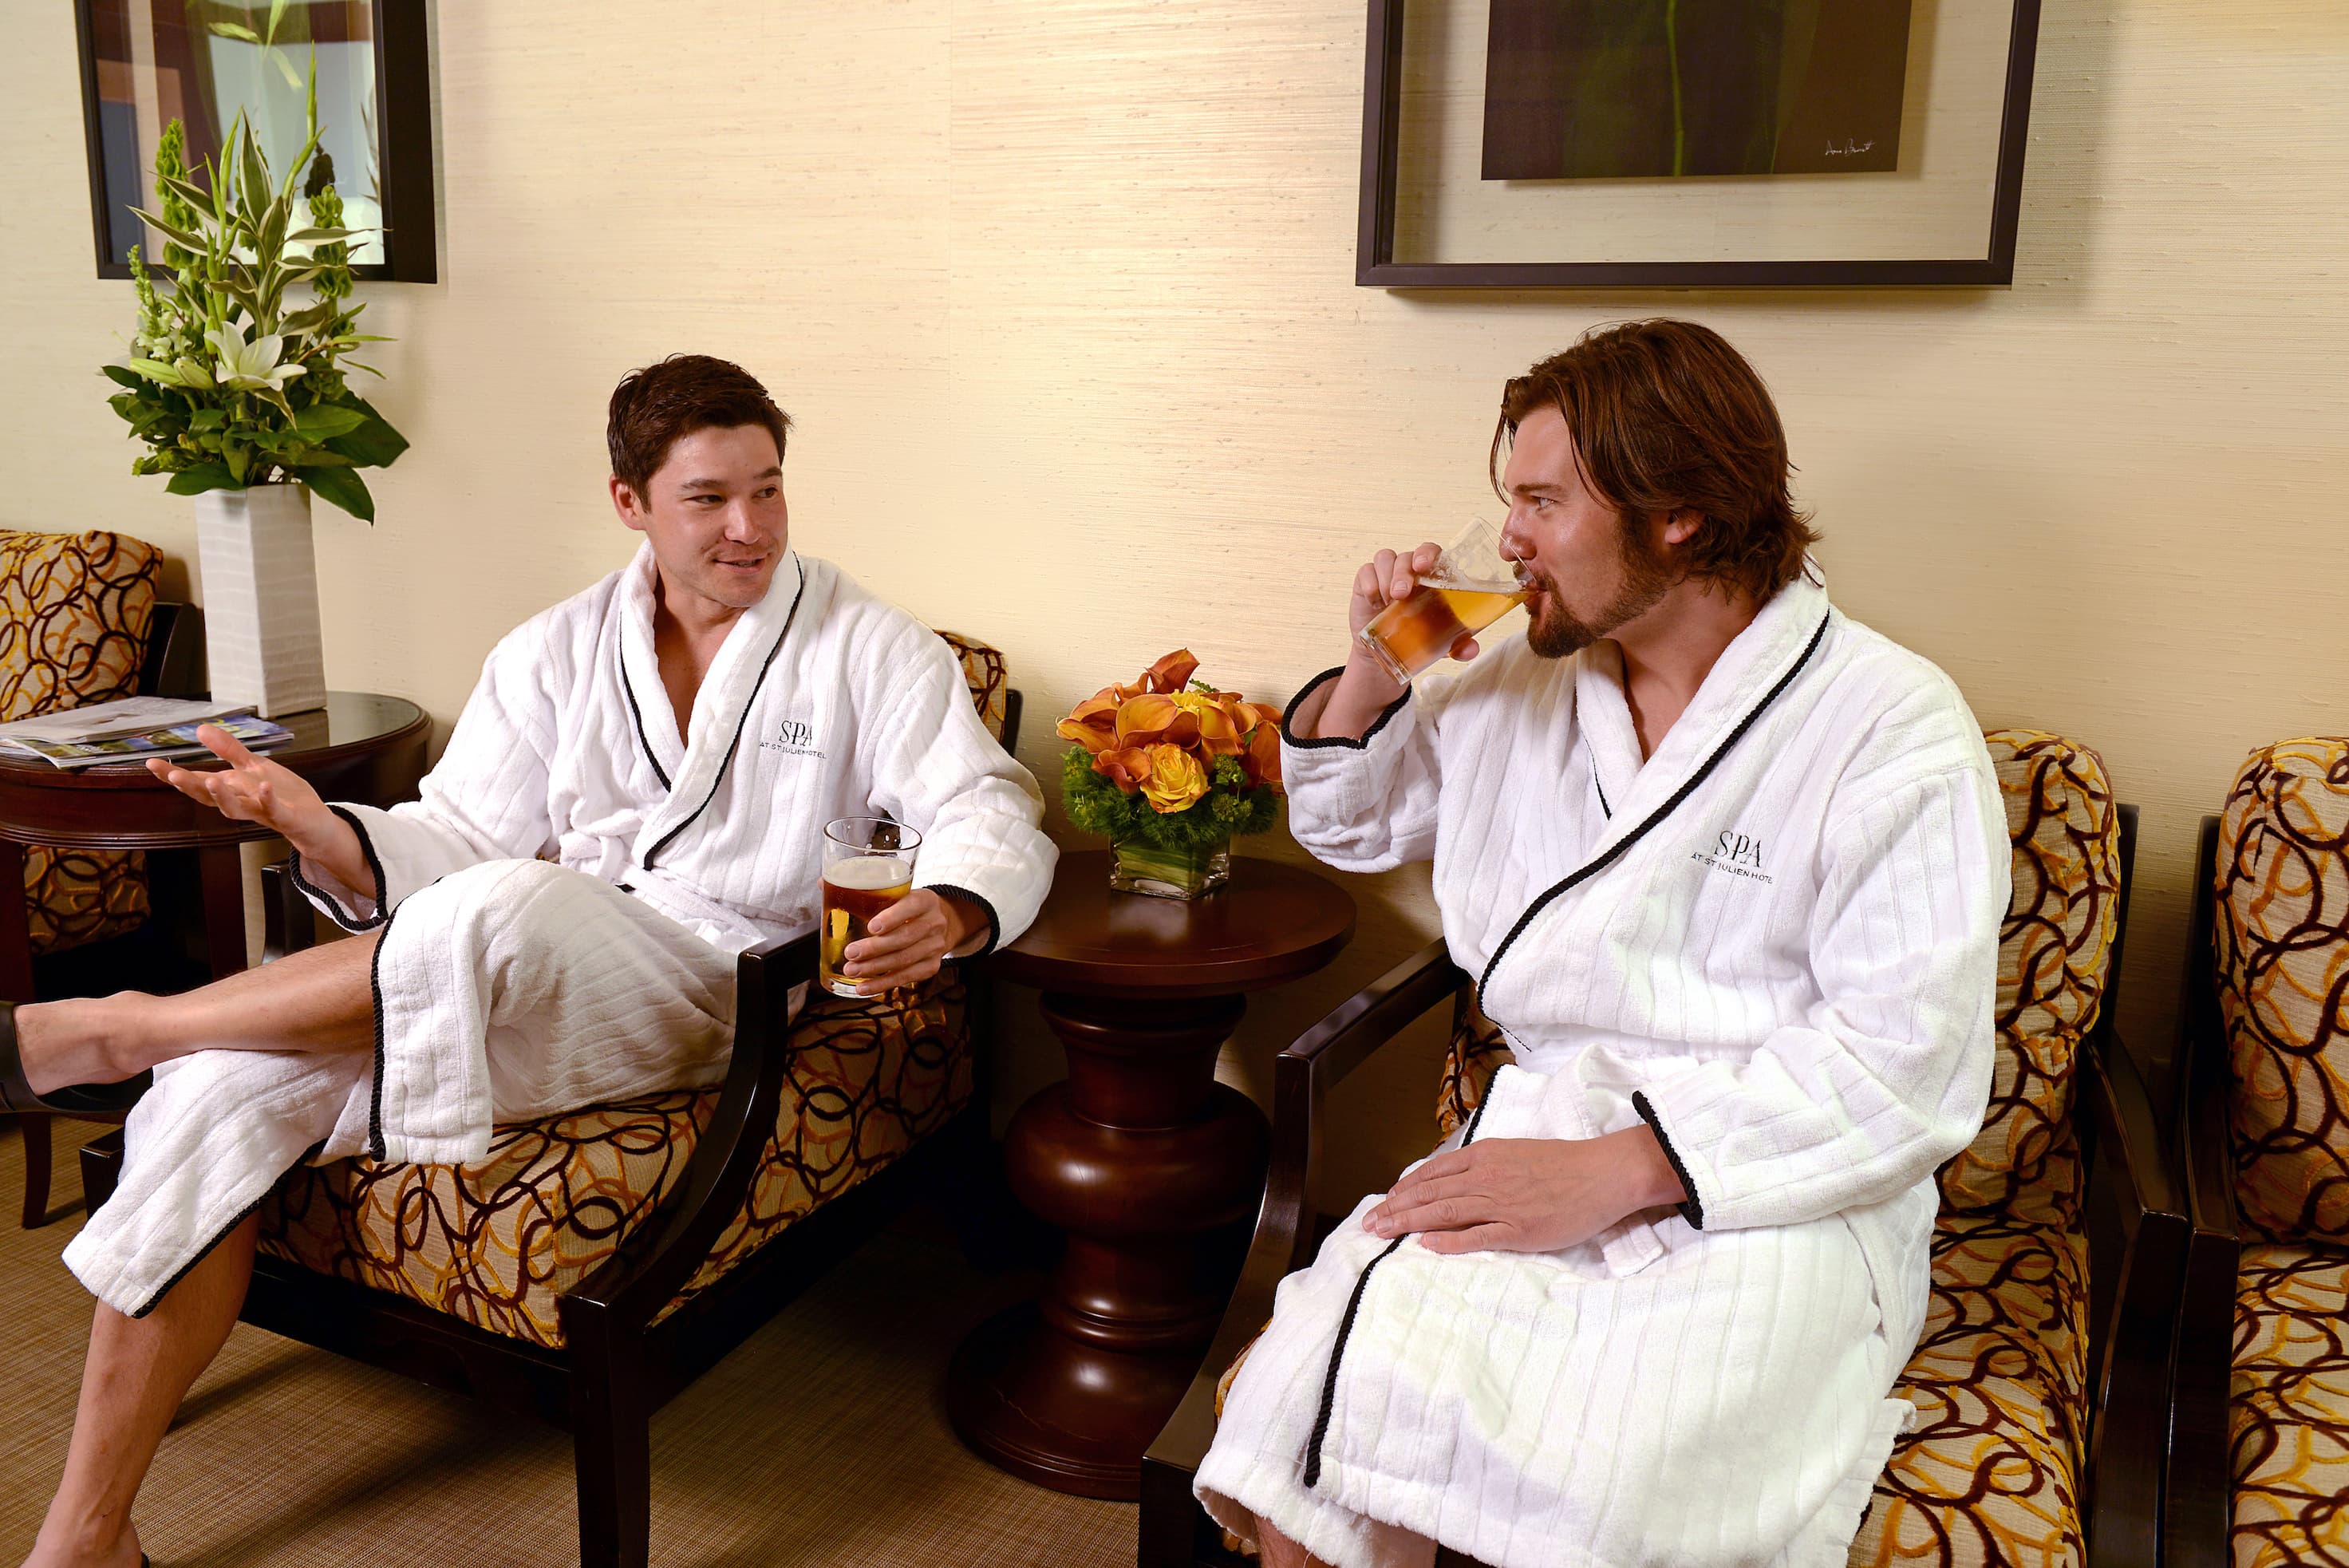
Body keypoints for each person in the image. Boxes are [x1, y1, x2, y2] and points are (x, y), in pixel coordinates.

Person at [0, 353, 1056, 1568]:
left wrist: (960, 902)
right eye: (708, 497)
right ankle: (86, 1532)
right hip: (510, 975)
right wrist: (320, 827)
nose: (750, 526)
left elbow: (985, 803)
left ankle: (123, 1027)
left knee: (503, 906)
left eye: (767, 488)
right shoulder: (555, 649)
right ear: (630, 503)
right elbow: (450, 840)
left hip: (714, 990)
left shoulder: (868, 646)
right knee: (216, 1090)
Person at [1195, 320, 2007, 1568]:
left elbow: (1906, 1066)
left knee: (1607, 1492)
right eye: (1505, 502)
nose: (1508, 537)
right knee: (1317, 1442)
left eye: (1539, 501)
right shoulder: (1516, 672)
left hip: (1775, 1194)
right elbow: (1349, 820)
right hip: (1540, 1135)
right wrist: (1370, 669)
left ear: (1677, 514)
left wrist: (1629, 1167)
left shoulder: (1889, 726)